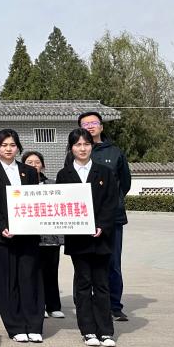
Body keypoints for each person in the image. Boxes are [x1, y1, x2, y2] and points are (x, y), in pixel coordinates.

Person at [0, 129, 43, 343]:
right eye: (4, 145)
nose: (8, 149)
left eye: (12, 145)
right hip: (2, 236)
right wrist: (1, 226)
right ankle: (15, 326)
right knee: (7, 281)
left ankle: (34, 324)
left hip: (27, 234)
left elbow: (34, 200)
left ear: (18, 148)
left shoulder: (29, 171)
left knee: (29, 278)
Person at [56, 128, 121, 347]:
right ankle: (88, 330)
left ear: (92, 146)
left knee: (101, 283)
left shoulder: (104, 172)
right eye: (78, 145)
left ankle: (106, 331)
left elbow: (111, 202)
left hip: (101, 237)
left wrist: (101, 225)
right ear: (71, 148)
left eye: (86, 144)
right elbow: (62, 204)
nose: (82, 148)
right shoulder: (64, 175)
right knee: (83, 283)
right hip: (78, 239)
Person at [76, 111, 132, 321]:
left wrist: (110, 205)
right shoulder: (74, 152)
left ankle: (114, 305)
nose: (90, 126)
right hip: (82, 218)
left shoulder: (115, 152)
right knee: (83, 263)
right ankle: (84, 304)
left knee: (112, 262)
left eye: (94, 122)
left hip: (112, 218)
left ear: (101, 126)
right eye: (85, 124)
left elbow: (124, 183)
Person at [23, 151, 64, 318]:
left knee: (51, 272)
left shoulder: (52, 185)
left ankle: (53, 305)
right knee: (32, 273)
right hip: (28, 237)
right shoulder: (19, 186)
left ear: (43, 165)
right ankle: (38, 305)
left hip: (50, 237)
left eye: (37, 162)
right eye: (29, 162)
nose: (34, 165)